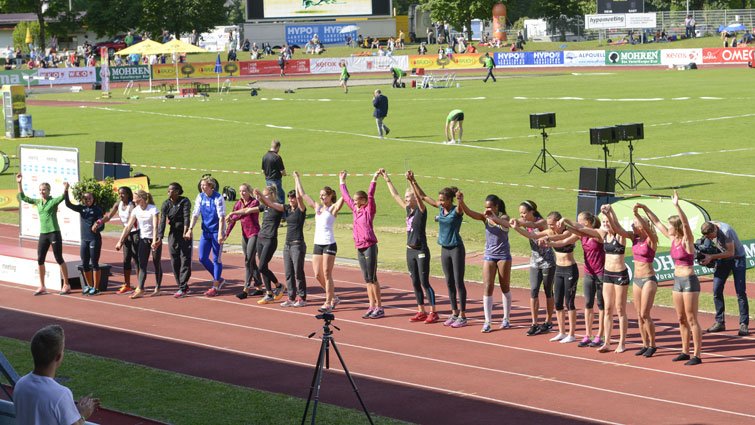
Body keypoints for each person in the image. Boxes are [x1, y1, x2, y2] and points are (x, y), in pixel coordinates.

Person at [644, 191, 703, 365]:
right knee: (681, 318)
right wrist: (645, 208)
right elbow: (656, 222)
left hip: (689, 281)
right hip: (677, 281)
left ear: (675, 227)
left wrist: (677, 206)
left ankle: (697, 355)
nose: (667, 227)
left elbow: (685, 224)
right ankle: (685, 351)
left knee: (692, 318)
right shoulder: (672, 238)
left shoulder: (686, 241)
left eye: (670, 225)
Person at [563, 204, 631, 353]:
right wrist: (566, 223)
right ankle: (606, 342)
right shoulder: (602, 234)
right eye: (604, 222)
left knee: (620, 309)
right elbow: (581, 229)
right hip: (607, 274)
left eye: (608, 222)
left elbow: (617, 226)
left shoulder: (621, 234)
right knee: (607, 309)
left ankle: (622, 342)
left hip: (620, 274)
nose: (606, 225)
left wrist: (610, 212)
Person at [410, 178, 467, 328]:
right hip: (445, 249)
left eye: (443, 200)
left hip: (456, 249)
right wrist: (413, 180)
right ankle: (454, 313)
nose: (440, 202)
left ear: (450, 200)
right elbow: (422, 196)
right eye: (439, 200)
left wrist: (461, 199)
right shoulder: (441, 208)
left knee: (458, 282)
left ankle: (462, 315)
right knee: (449, 282)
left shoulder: (456, 210)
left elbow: (461, 208)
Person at [13, 325, 99, 425]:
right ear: (58, 357)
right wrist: (83, 414)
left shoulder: (21, 384)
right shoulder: (61, 394)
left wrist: (71, 412)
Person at [383, 170, 439, 324]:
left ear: (415, 198)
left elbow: (421, 200)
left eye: (409, 197)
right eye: (406, 197)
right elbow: (395, 196)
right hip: (410, 250)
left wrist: (412, 182)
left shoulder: (421, 210)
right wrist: (387, 179)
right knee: (414, 281)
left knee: (424, 281)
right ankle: (421, 310)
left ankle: (433, 311)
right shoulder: (408, 209)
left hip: (421, 250)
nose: (406, 199)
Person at [605, 204, 659, 357]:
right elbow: (617, 229)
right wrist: (609, 214)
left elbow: (649, 230)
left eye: (634, 225)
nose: (632, 227)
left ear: (641, 227)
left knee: (645, 313)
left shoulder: (651, 240)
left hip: (649, 279)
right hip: (637, 279)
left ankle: (653, 344)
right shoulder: (633, 238)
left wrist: (637, 213)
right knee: (638, 314)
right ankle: (644, 344)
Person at [458, 192, 512, 333]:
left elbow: (506, 225)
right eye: (485, 207)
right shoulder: (485, 218)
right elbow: (469, 213)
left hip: (503, 256)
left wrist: (493, 217)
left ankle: (506, 319)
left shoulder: (503, 217)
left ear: (496, 206)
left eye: (490, 207)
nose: (487, 210)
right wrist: (461, 201)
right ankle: (487, 321)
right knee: (487, 286)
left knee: (504, 286)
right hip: (489, 255)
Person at [16, 173, 71, 296]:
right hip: (43, 234)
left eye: (44, 190)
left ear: (48, 190)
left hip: (54, 233)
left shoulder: (53, 201)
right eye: (40, 190)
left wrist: (66, 188)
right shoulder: (38, 202)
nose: (42, 192)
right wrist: (19, 183)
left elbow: (63, 197)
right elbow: (23, 197)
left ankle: (66, 284)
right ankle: (42, 286)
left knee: (58, 258)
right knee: (40, 259)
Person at [340, 169, 384, 318]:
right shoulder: (355, 210)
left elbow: (371, 195)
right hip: (359, 247)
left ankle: (379, 307)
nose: (355, 202)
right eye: (355, 200)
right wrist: (342, 181)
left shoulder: (368, 210)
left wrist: (374, 178)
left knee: (373, 277)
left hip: (370, 246)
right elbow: (346, 198)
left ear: (364, 200)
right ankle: (371, 305)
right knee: (366, 279)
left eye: (357, 200)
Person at [297, 177, 344, 313]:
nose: (321, 197)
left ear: (330, 196)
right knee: (318, 274)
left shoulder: (333, 209)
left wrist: (342, 181)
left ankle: (328, 302)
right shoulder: (318, 207)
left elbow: (345, 197)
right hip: (318, 244)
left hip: (329, 243)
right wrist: (297, 178)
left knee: (327, 273)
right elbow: (303, 194)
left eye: (324, 195)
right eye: (320, 195)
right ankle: (333, 296)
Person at [509, 201, 554, 336]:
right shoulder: (525, 223)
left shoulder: (541, 222)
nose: (522, 215)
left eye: (524, 213)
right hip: (534, 262)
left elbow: (533, 225)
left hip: (548, 262)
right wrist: (515, 226)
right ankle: (534, 323)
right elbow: (529, 234)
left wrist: (519, 223)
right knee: (533, 290)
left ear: (532, 211)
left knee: (548, 291)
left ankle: (548, 321)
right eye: (520, 213)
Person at [699, 220, 749, 336]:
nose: (711, 239)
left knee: (740, 291)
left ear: (715, 230)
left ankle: (744, 324)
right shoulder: (709, 225)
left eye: (712, 237)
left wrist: (711, 256)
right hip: (723, 259)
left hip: (737, 258)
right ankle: (720, 321)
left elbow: (730, 253)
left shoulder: (726, 231)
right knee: (716, 290)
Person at [116, 190, 162, 299]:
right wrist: (120, 241)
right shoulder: (136, 210)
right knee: (142, 265)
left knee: (156, 263)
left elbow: (155, 226)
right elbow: (128, 226)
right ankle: (141, 289)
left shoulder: (152, 209)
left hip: (155, 240)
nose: (133, 199)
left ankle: (158, 288)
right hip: (143, 239)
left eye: (135, 197)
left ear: (140, 198)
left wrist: (155, 240)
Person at [63, 183, 104, 295]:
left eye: (89, 198)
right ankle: (89, 286)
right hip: (84, 240)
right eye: (85, 199)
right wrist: (66, 190)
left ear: (93, 199)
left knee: (94, 263)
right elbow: (68, 204)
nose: (87, 200)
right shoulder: (81, 209)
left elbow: (102, 221)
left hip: (94, 239)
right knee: (85, 263)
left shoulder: (97, 209)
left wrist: (97, 224)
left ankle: (96, 288)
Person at [187, 177, 226, 297]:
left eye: (204, 185)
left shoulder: (218, 198)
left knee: (216, 259)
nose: (202, 187)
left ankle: (215, 285)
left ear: (211, 186)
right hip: (206, 231)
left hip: (216, 231)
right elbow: (195, 214)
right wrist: (190, 229)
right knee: (202, 257)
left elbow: (222, 217)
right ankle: (218, 278)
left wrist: (220, 233)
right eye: (201, 185)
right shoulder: (200, 197)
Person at [224, 184, 264, 300]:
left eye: (244, 191)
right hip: (245, 235)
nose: (242, 193)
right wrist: (226, 234)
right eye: (240, 191)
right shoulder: (238, 204)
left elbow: (245, 212)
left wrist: (232, 214)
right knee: (251, 262)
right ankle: (259, 287)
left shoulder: (254, 203)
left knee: (248, 261)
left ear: (249, 192)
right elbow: (233, 220)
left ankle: (245, 289)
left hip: (254, 234)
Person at [573, 211, 606, 348]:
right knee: (588, 303)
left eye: (580, 220)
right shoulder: (581, 236)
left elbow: (579, 228)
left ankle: (600, 334)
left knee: (601, 304)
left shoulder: (597, 233)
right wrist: (550, 242)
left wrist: (566, 222)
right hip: (588, 273)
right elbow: (565, 239)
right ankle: (588, 334)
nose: (578, 222)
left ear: (587, 222)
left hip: (601, 272)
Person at [157, 183, 193, 298]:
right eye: (168, 191)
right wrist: (159, 237)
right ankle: (181, 285)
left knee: (185, 259)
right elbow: (162, 221)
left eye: (171, 191)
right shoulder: (166, 204)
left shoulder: (185, 201)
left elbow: (187, 216)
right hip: (173, 234)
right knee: (174, 260)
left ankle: (183, 286)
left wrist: (186, 230)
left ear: (177, 191)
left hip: (184, 233)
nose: (169, 193)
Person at [102, 186, 139, 294]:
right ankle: (127, 285)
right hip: (126, 233)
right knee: (126, 260)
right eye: (119, 193)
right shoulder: (118, 204)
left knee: (136, 260)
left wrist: (121, 240)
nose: (120, 195)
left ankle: (140, 285)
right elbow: (109, 216)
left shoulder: (132, 206)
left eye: (122, 193)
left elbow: (130, 225)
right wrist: (99, 222)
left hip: (135, 233)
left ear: (128, 194)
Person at [278, 173, 308, 307]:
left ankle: (301, 297)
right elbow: (272, 204)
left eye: (293, 198)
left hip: (297, 244)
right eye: (289, 198)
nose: (291, 200)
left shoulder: (301, 210)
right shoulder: (287, 210)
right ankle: (291, 297)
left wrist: (297, 179)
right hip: (287, 245)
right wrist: (261, 196)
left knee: (298, 272)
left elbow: (301, 197)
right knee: (288, 272)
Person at [253, 185, 285, 304]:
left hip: (270, 240)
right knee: (263, 268)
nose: (264, 197)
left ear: (272, 194)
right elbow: (249, 210)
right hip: (260, 238)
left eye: (266, 195)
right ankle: (269, 294)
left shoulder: (277, 206)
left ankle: (278, 285)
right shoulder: (265, 206)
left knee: (261, 266)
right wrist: (235, 213)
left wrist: (260, 196)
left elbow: (269, 203)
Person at [261, 139, 286, 205]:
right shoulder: (277, 157)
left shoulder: (265, 156)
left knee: (270, 197)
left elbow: (262, 170)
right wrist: (285, 174)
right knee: (280, 197)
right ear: (277, 147)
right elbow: (282, 171)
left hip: (268, 180)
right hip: (276, 181)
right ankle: (281, 212)